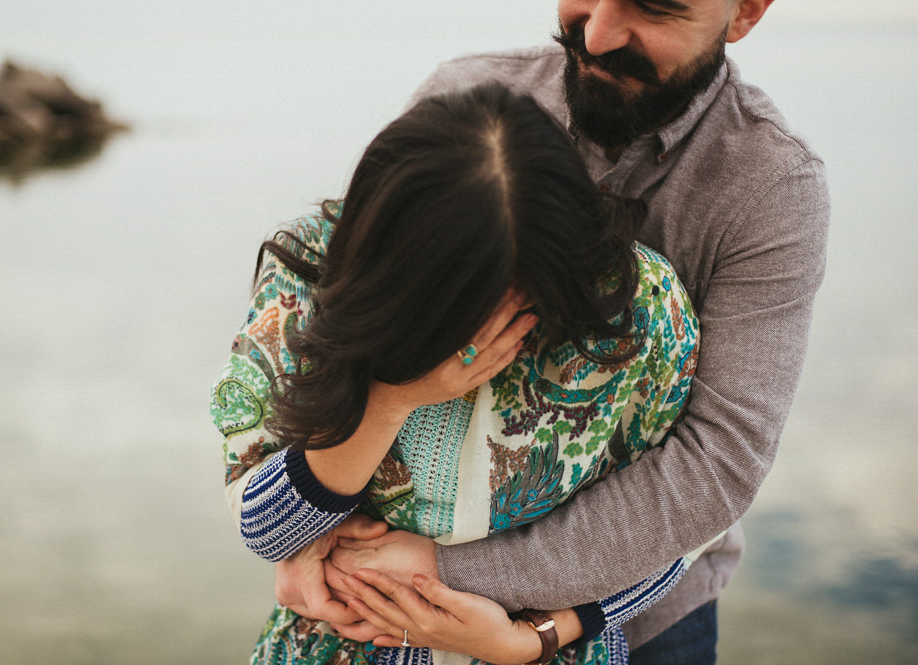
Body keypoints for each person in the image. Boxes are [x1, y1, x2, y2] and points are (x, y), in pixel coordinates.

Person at [276, 0, 830, 662]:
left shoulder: (770, 184)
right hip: (379, 601)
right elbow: (355, 319)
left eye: (652, 6)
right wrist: (305, 540)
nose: (595, 33)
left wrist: (459, 580)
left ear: (744, 12)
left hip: (643, 612)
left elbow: (718, 460)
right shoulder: (458, 99)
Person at [211, 83, 702, 664]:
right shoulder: (313, 274)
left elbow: (673, 530)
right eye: (462, 303)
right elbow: (265, 529)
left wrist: (542, 634)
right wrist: (391, 401)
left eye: (525, 299)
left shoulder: (640, 312)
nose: (491, 327)